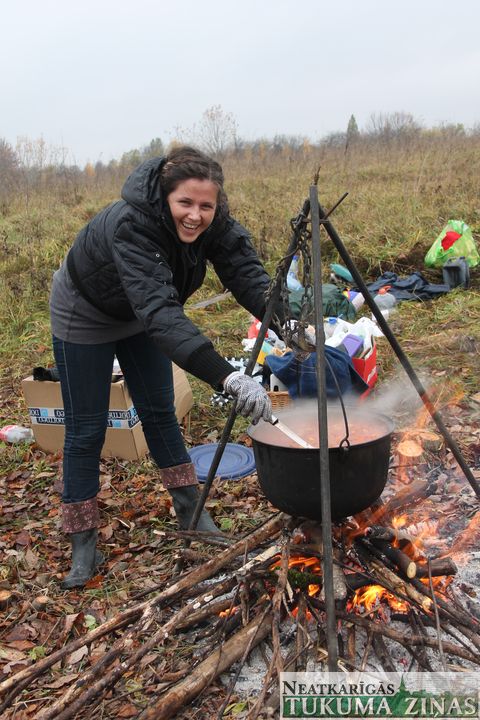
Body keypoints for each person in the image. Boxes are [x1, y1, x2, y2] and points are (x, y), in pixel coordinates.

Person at [50, 146, 278, 589]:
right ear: (164, 196)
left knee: (159, 411)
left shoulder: (215, 224)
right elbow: (161, 312)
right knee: (86, 428)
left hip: (142, 310)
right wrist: (227, 376)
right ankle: (83, 541)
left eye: (206, 206)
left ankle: (191, 511)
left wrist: (289, 323)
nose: (195, 215)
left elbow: (247, 276)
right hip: (85, 311)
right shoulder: (133, 225)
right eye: (185, 203)